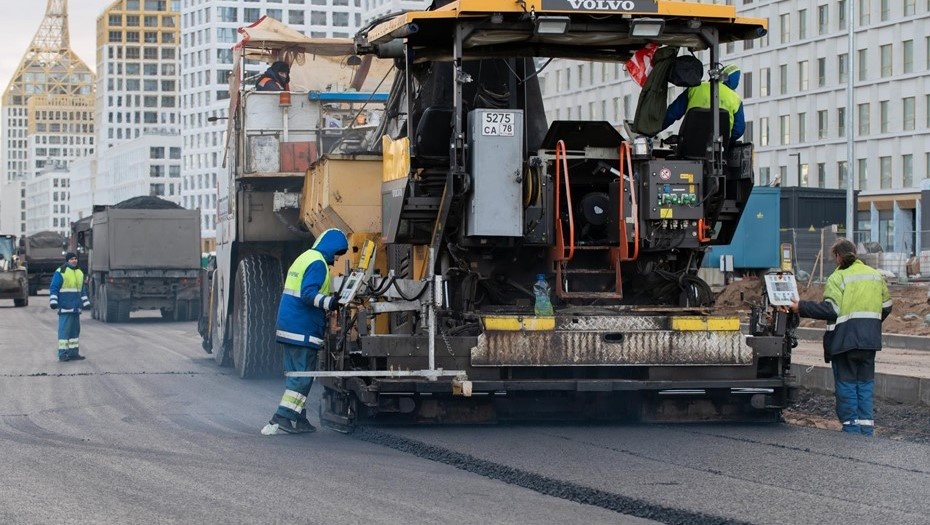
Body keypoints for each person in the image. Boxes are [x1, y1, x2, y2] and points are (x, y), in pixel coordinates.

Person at [788, 238, 892, 436]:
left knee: (847, 385)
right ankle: (866, 428)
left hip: (845, 342)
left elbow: (832, 309)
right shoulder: (875, 275)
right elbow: (886, 307)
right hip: (870, 342)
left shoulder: (838, 278)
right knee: (865, 385)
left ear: (837, 256)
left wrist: (800, 307)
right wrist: (870, 323)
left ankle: (851, 429)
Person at [262, 228, 348, 435]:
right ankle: (281, 416)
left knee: (295, 376)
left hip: (289, 326)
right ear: (332, 247)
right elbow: (308, 294)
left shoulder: (305, 258)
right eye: (337, 254)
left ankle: (299, 420)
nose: (336, 260)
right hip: (302, 330)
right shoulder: (318, 263)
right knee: (302, 377)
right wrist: (332, 303)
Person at [661, 63, 745, 143]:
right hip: (718, 151)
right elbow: (738, 130)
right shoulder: (736, 99)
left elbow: (672, 114)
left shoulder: (696, 87)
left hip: (688, 146)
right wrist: (725, 141)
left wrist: (652, 131)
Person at [49, 252, 91, 362]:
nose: (74, 260)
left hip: (76, 308)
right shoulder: (61, 271)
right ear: (67, 260)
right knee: (64, 332)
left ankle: (73, 353)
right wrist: (53, 302)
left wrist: (86, 303)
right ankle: (62, 354)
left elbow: (81, 290)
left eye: (75, 259)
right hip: (65, 307)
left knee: (74, 332)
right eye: (72, 259)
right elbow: (54, 287)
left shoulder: (79, 272)